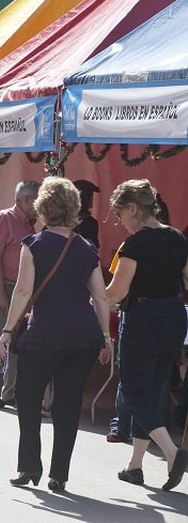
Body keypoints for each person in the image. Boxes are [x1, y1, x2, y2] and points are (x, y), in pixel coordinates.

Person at [0, 177, 112, 493]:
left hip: (44, 334)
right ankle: (59, 474)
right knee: (68, 403)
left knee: (28, 397)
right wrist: (106, 337)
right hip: (83, 336)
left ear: (43, 208)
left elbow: (22, 291)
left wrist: (7, 331)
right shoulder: (86, 248)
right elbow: (101, 297)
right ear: (74, 209)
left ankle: (29, 466)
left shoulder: (34, 244)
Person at [105, 179, 188, 491]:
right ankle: (135, 466)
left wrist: (94, 295)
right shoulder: (178, 237)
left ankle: (171, 452)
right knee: (152, 390)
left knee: (133, 390)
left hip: (144, 319)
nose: (121, 222)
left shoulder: (136, 243)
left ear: (133, 208)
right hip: (174, 317)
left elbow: (117, 292)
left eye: (121, 215)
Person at [0, 181, 39, 409]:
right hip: (5, 286)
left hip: (20, 289)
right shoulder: (5, 218)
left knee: (15, 343)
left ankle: (9, 392)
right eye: (36, 199)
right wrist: (0, 292)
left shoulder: (28, 224)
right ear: (26, 200)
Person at [73, 180, 100, 248]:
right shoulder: (90, 223)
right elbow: (93, 251)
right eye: (92, 196)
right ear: (86, 199)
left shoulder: (59, 220)